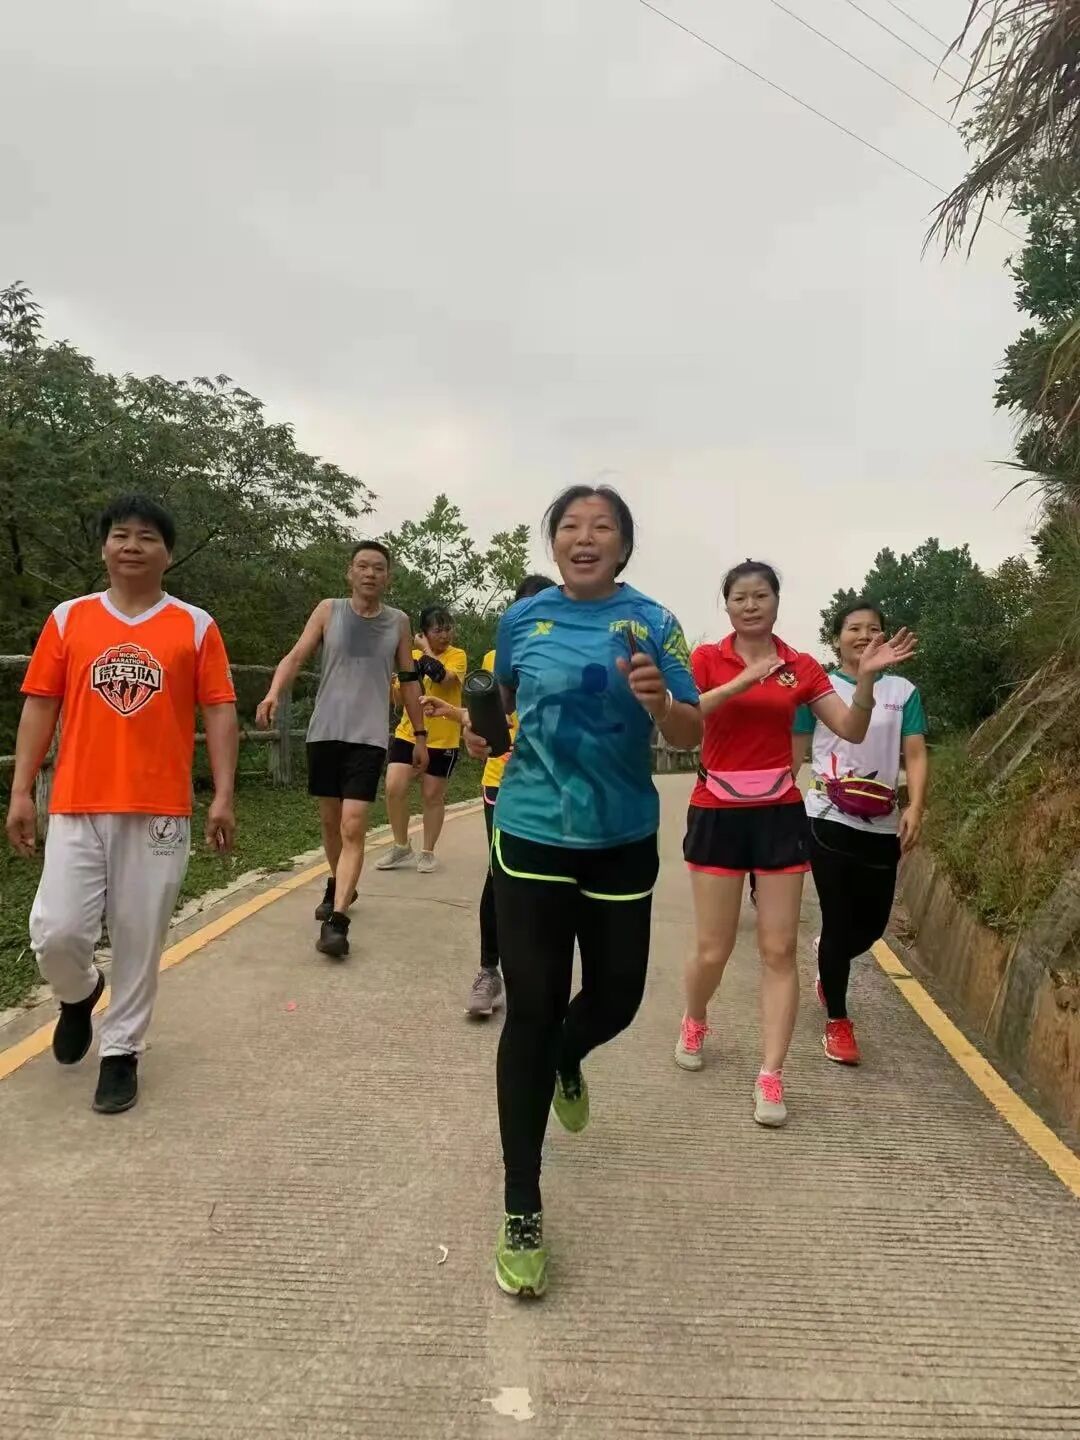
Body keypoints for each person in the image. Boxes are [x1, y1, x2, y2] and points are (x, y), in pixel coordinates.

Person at [464, 484, 701, 1299]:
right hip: (531, 831)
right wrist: (487, 735)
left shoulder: (654, 622)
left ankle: (572, 1054)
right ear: (554, 542)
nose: (585, 536)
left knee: (618, 998)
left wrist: (662, 703)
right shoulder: (521, 621)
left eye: (602, 526)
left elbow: (691, 730)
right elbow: (504, 703)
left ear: (624, 545)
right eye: (570, 526)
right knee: (531, 1012)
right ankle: (522, 1204)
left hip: (622, 835)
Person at [4, 496, 238, 1114]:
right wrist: (21, 790)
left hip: (159, 808)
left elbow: (218, 710)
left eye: (147, 537)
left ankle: (121, 1050)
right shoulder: (69, 618)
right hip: (77, 801)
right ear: (104, 547)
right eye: (120, 535)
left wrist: (222, 794)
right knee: (56, 932)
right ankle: (79, 993)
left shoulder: (195, 626)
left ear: (168, 553)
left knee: (140, 933)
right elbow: (40, 704)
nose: (132, 546)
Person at [676, 560, 916, 1128]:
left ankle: (771, 1074)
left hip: (779, 815)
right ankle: (695, 1017)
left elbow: (851, 729)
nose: (750, 605)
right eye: (740, 596)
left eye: (761, 595)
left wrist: (864, 680)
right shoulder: (706, 659)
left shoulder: (801, 666)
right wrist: (740, 683)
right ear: (727, 605)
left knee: (780, 949)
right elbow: (681, 721)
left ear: (777, 603)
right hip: (717, 810)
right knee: (713, 948)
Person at [255, 541, 427, 959]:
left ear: (388, 577)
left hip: (368, 738)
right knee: (331, 823)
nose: (370, 574)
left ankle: (337, 922)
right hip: (325, 732)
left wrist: (420, 734)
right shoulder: (328, 610)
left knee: (353, 825)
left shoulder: (398, 622)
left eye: (379, 568)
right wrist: (274, 692)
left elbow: (408, 680)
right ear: (350, 573)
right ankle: (339, 884)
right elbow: (296, 656)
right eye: (362, 566)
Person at [792, 599, 928, 1065]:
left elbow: (915, 753)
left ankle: (828, 958)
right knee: (837, 918)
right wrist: (777, 807)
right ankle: (838, 1021)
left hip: (882, 820)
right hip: (828, 816)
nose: (864, 635)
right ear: (836, 639)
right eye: (854, 628)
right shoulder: (818, 687)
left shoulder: (903, 691)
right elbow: (795, 752)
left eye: (873, 628)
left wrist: (916, 806)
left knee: (870, 927)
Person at [420, 574, 557, 1018]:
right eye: (526, 609)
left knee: (550, 880)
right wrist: (462, 721)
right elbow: (490, 717)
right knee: (501, 874)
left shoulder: (572, 657)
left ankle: (539, 973)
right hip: (504, 782)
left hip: (557, 786)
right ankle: (489, 972)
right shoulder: (500, 657)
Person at [377, 605, 467, 875]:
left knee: (432, 796)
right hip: (409, 733)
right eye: (438, 630)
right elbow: (398, 694)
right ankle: (401, 845)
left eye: (448, 629)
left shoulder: (457, 656)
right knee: (394, 786)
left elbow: (442, 678)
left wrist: (425, 650)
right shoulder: (411, 658)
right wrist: (392, 684)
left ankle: (427, 852)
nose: (445, 635)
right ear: (424, 632)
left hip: (443, 738)